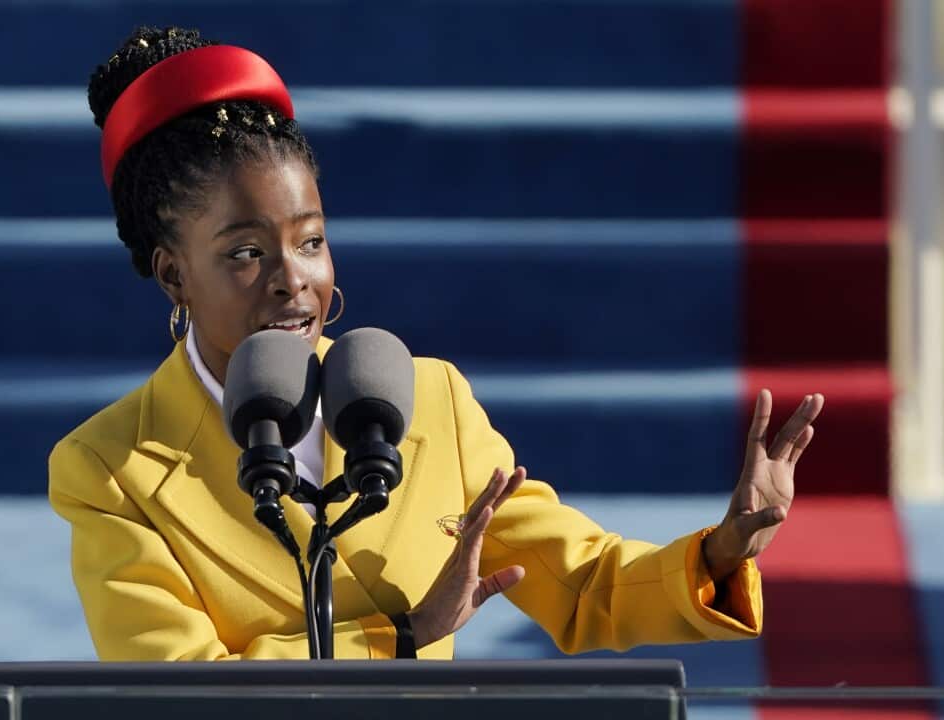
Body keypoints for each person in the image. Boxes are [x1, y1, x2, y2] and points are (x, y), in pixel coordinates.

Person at [49, 25, 826, 661]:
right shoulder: (112, 470)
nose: (294, 281)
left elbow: (584, 585)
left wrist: (722, 554)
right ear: (172, 274)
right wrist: (407, 638)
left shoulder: (427, 404)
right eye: (247, 253)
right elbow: (179, 696)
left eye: (311, 241)